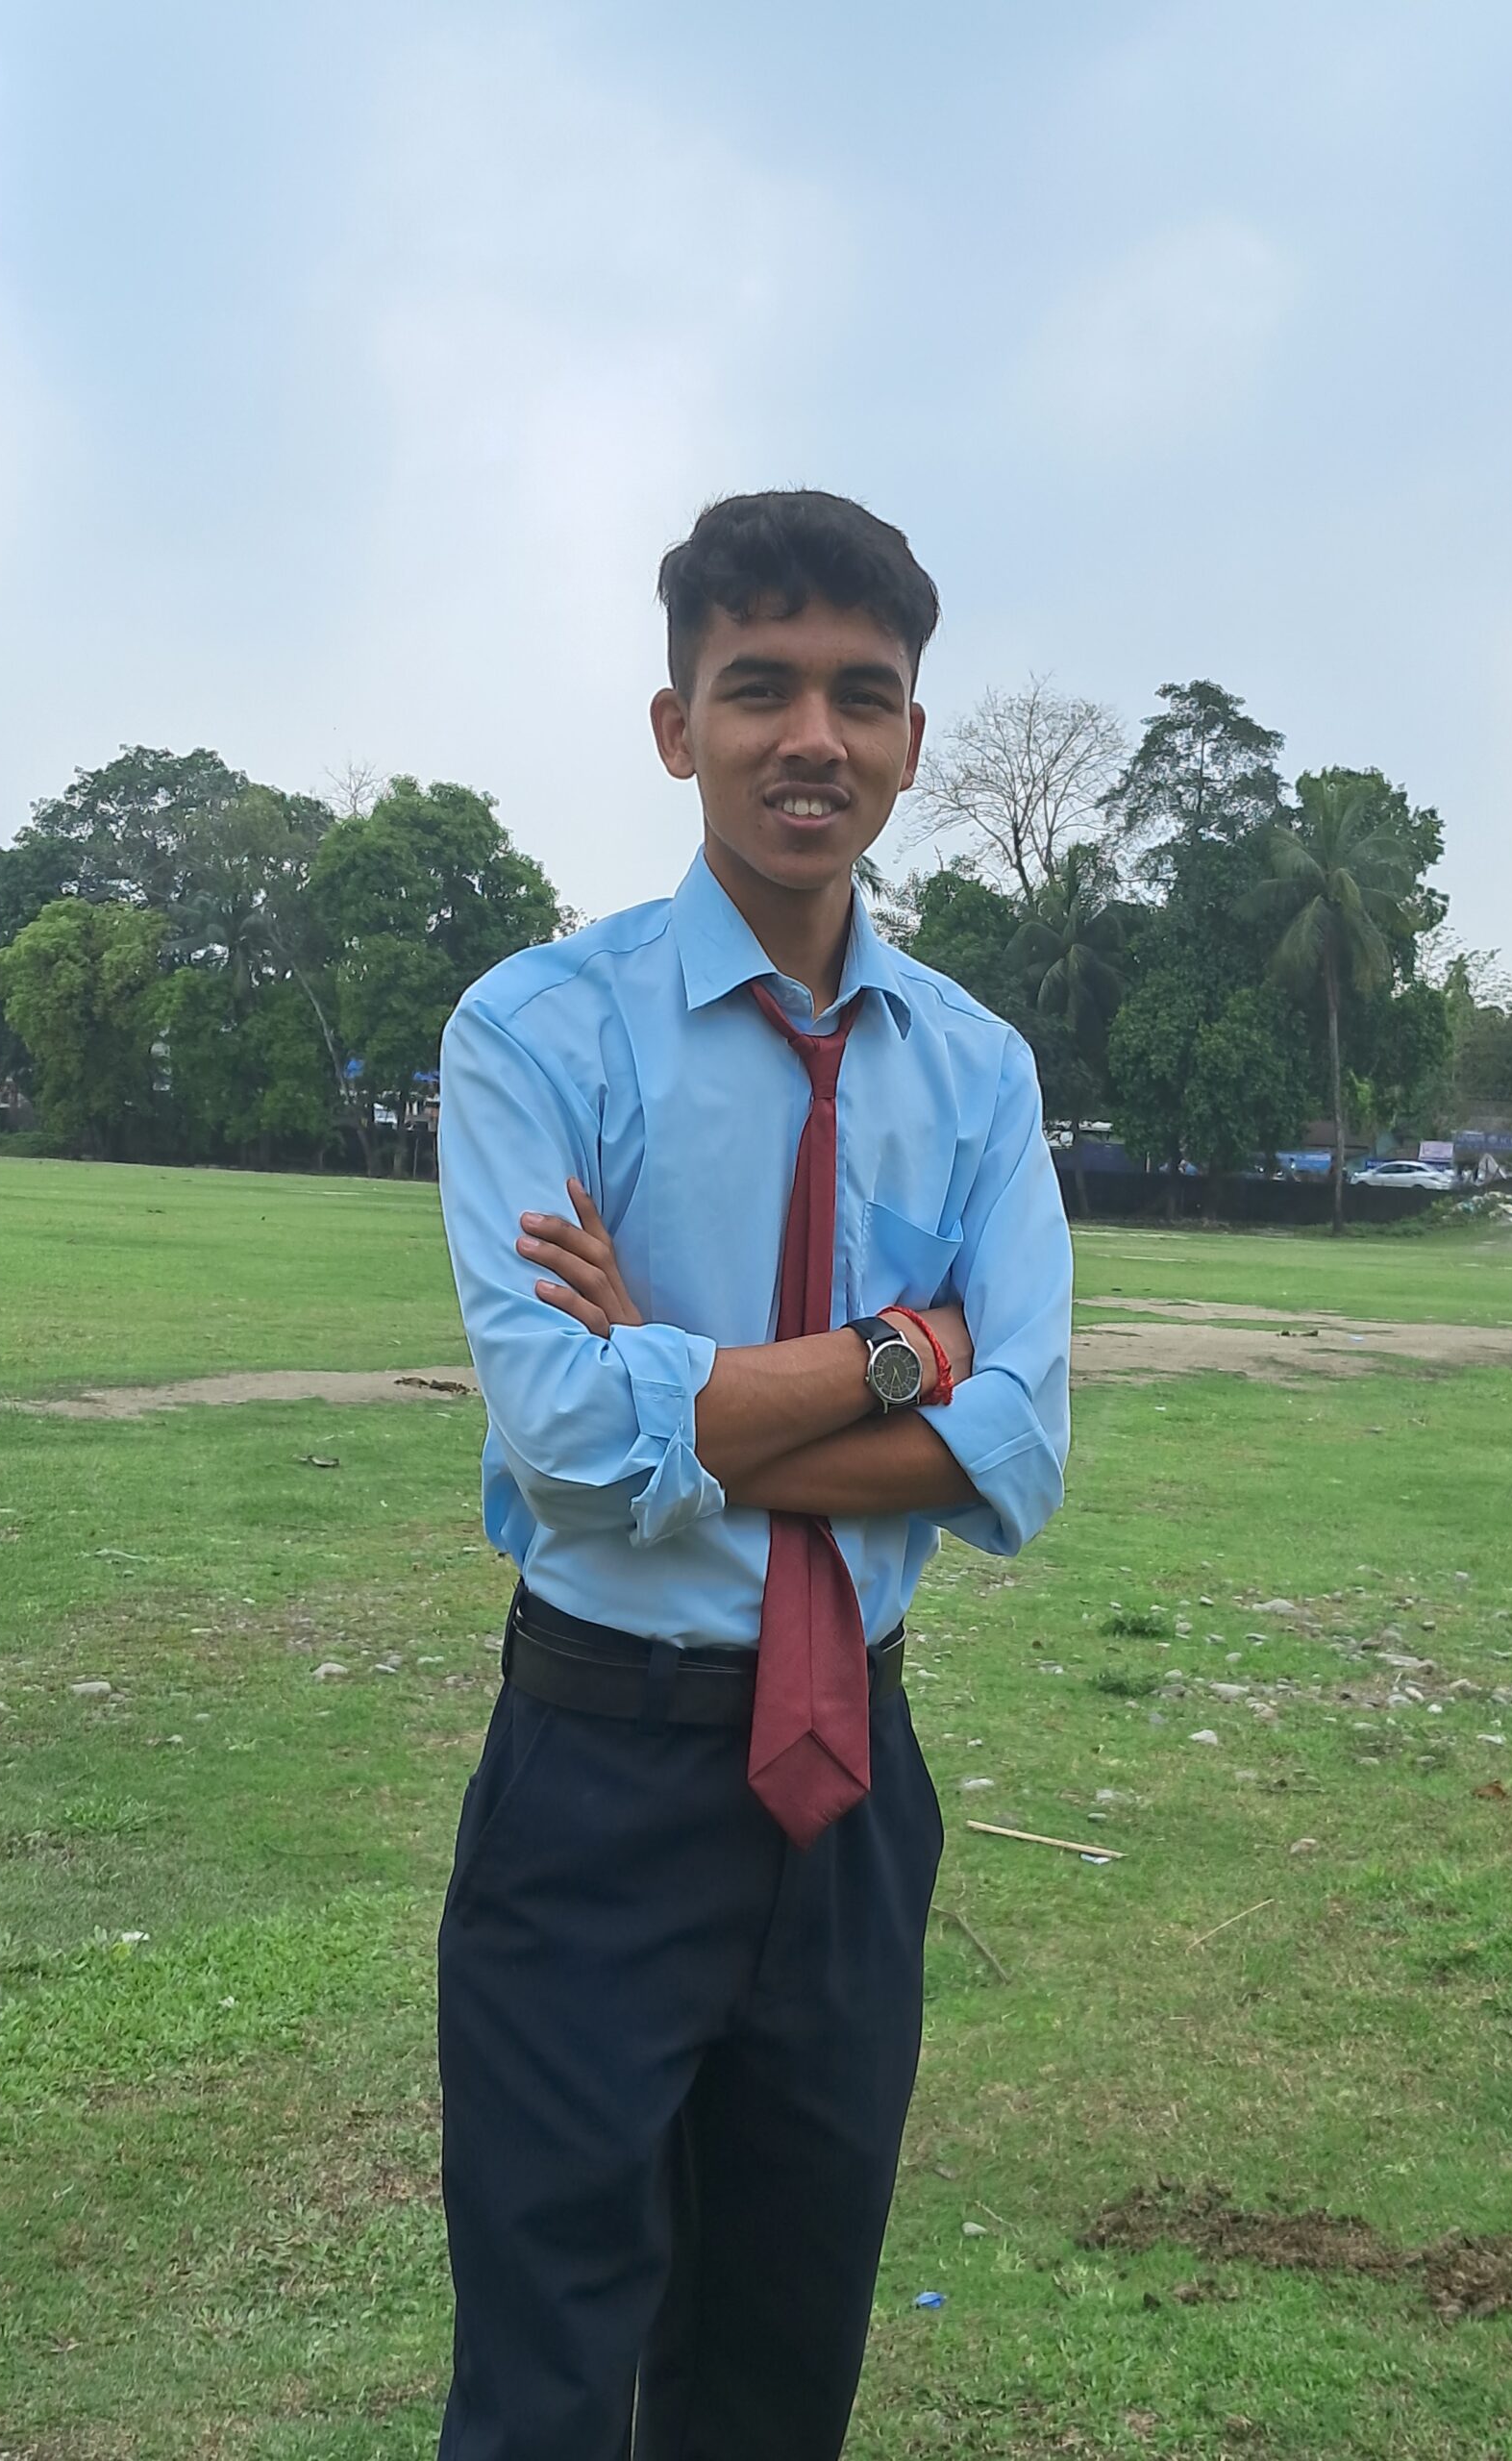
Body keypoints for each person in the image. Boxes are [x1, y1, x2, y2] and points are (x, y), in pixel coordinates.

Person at [433, 489, 1073, 2460]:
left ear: (911, 738)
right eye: (760, 687)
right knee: (547, 2375)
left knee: (782, 2376)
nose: (814, 736)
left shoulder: (976, 1069)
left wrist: (682, 1393)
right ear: (675, 725)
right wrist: (901, 1353)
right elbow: (564, 1438)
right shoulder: (539, 1031)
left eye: (861, 695)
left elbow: (1020, 1448)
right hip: (600, 1779)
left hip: (854, 1793)